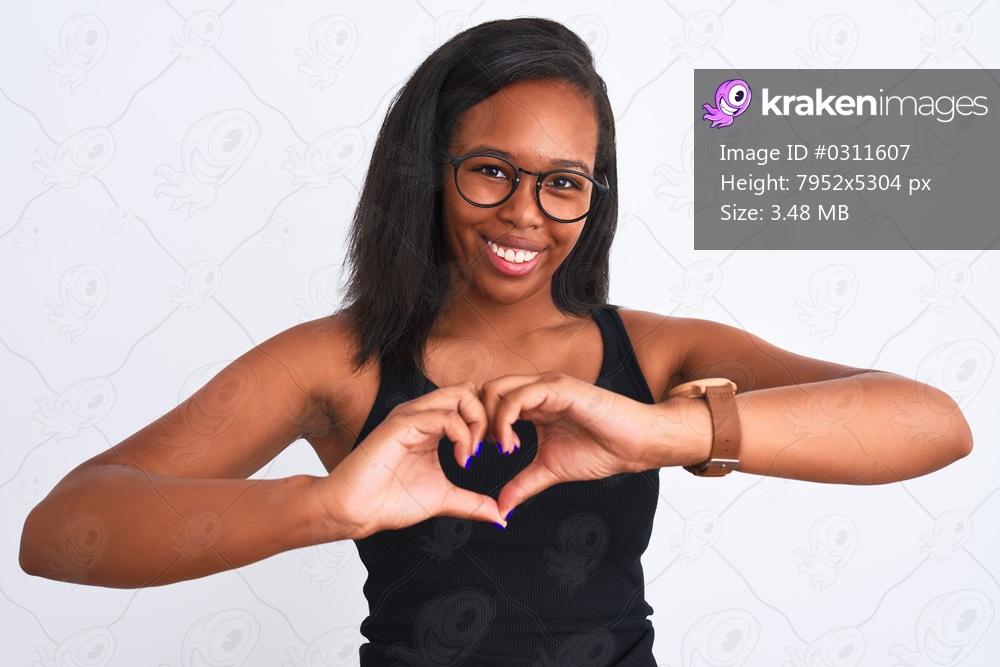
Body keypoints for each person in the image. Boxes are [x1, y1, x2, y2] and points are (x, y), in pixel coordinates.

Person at [20, 17, 972, 666]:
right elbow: (61, 532)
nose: (526, 213)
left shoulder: (661, 352)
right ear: (426, 171)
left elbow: (933, 423)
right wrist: (325, 507)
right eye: (491, 171)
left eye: (565, 181)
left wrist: (667, 432)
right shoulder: (336, 363)